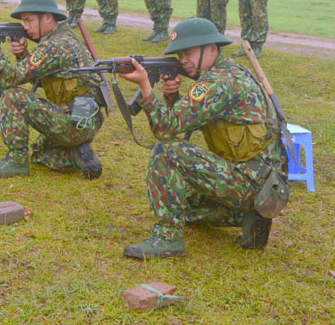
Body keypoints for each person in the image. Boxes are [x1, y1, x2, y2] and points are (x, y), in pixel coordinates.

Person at [117, 17, 289, 259]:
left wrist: (146, 87)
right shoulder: (230, 72)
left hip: (249, 179)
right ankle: (247, 215)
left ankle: (168, 239)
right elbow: (188, 120)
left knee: (167, 152)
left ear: (211, 49)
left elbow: (166, 130)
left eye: (188, 53)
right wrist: (172, 95)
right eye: (180, 55)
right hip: (259, 180)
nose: (183, 61)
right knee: (181, 202)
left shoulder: (217, 83)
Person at [0, 0, 104, 180]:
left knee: (12, 96)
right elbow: (39, 76)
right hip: (84, 119)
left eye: (29, 20)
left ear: (48, 17)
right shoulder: (66, 37)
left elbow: (9, 80)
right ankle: (77, 155)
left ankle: (16, 160)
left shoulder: (53, 46)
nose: (26, 27)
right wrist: (23, 55)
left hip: (74, 122)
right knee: (40, 152)